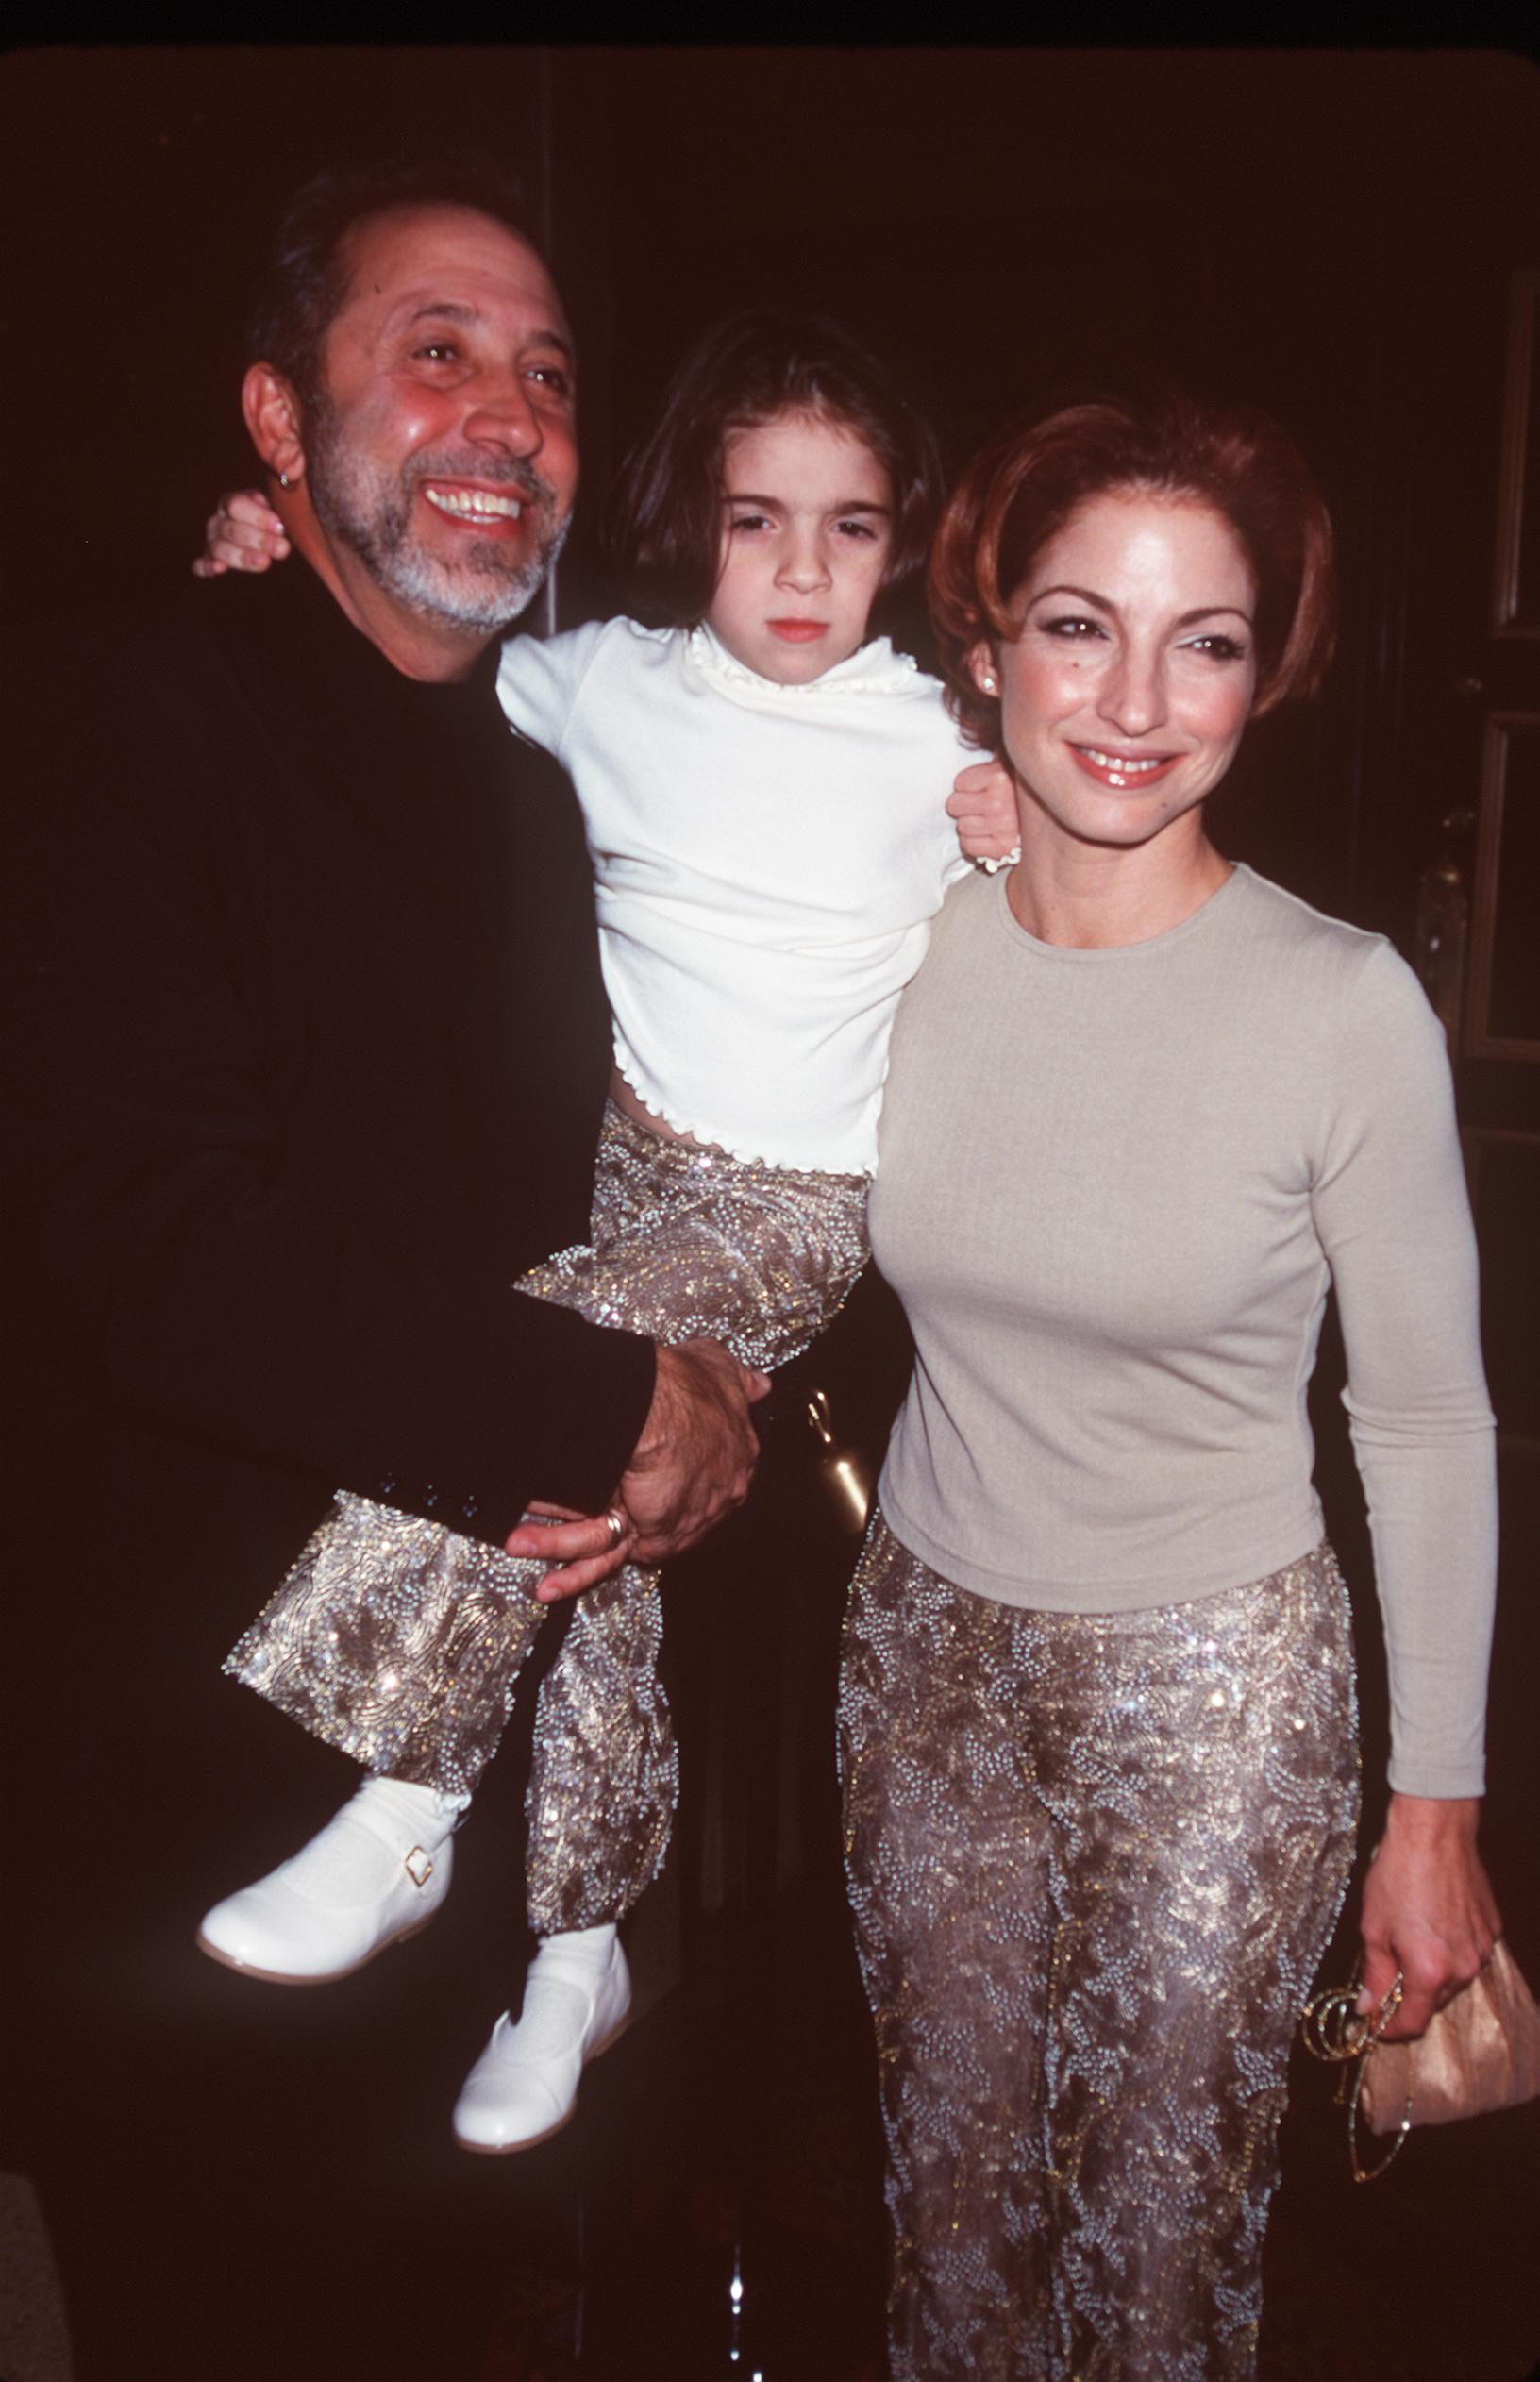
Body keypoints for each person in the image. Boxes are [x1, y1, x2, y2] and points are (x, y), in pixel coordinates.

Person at [2, 155, 769, 2378]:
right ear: (274, 423)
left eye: (544, 371)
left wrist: (710, 1389)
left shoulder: (553, 774)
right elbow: (154, 1250)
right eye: (434, 350)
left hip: (484, 1791)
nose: (508, 414)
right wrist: (608, 1407)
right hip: (192, 1801)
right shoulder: (124, 716)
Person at [183, 307, 1020, 2154]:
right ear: (690, 522)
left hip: (795, 1208)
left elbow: (1094, 853)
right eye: (756, 518)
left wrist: (1013, 809)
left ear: (904, 541)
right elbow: (393, 654)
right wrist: (278, 550)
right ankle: (576, 1944)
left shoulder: (938, 743)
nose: (803, 568)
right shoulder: (601, 680)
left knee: (541, 1397)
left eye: (852, 525)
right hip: (618, 1162)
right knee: (609, 1532)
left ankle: (407, 1797)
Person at [836, 388, 1502, 2379]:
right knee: (944, 2221)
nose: (1135, 697)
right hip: (923, 1663)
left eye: (1203, 639)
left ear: (1265, 673)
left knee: (1153, 2259)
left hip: (1217, 1694)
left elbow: (1428, 1423)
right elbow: (640, 752)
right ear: (984, 648)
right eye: (1075, 624)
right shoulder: (889, 938)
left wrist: (1435, 1812)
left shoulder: (1341, 1004)